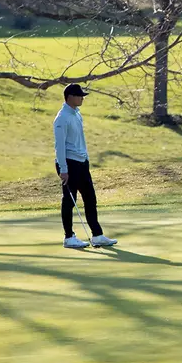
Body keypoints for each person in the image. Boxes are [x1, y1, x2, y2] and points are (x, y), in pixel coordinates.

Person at [54, 83, 116, 250]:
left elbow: (79, 139)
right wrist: (63, 169)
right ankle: (69, 237)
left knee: (90, 199)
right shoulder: (62, 118)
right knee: (69, 201)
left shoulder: (76, 114)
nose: (82, 98)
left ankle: (97, 235)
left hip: (82, 163)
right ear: (70, 97)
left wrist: (86, 159)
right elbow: (59, 146)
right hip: (69, 164)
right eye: (79, 95)